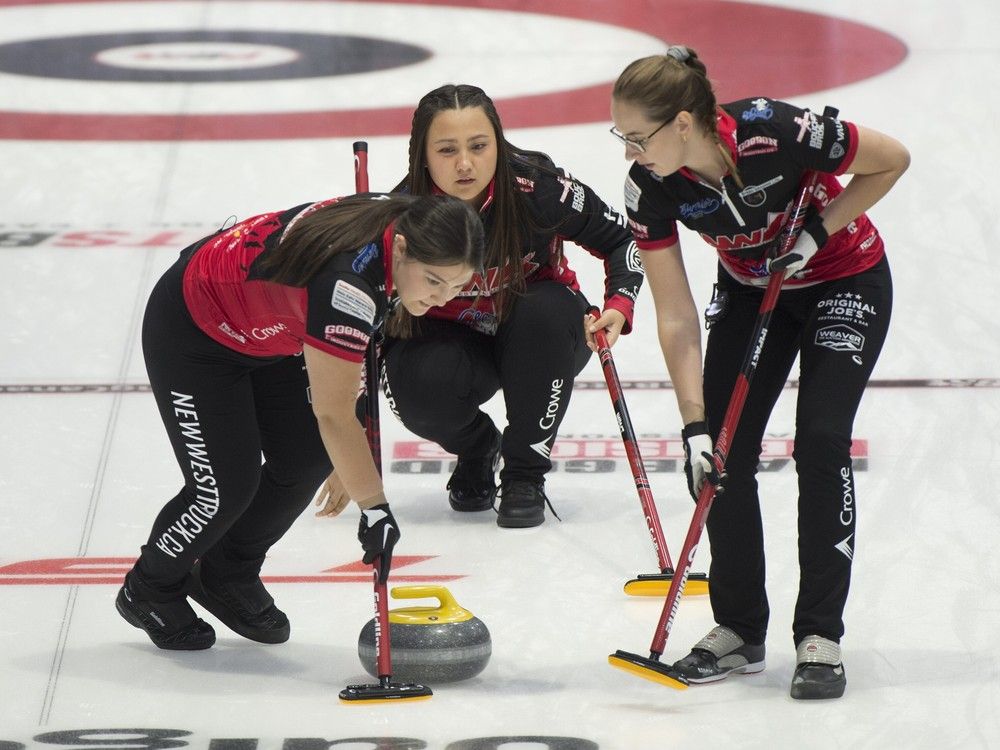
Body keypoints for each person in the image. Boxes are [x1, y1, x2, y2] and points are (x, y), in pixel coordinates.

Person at [608, 47, 909, 699]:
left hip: (843, 276)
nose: (630, 152)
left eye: (638, 137)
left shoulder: (778, 132)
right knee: (721, 453)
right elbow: (677, 315)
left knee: (822, 440)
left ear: (683, 123)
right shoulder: (649, 188)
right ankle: (739, 630)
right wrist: (693, 426)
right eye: (621, 137)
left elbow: (892, 159)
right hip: (753, 289)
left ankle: (819, 635)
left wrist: (818, 233)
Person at [115, 193, 484, 650]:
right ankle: (148, 586)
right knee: (223, 488)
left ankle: (227, 571)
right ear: (403, 248)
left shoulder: (403, 223)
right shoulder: (347, 287)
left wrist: (351, 464)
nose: (440, 297)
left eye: (457, 286)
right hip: (195, 328)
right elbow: (332, 410)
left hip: (273, 328)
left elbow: (350, 374)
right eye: (433, 281)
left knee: (309, 456)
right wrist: (376, 508)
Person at [314, 84, 644, 529]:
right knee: (420, 384)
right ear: (423, 155)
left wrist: (619, 305)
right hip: (446, 342)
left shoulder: (539, 189)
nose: (465, 164)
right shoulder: (400, 216)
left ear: (498, 143)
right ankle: (476, 447)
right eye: (447, 150)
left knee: (543, 316)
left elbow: (622, 240)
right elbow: (359, 328)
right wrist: (348, 443)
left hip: (536, 329)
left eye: (479, 146)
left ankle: (525, 473)